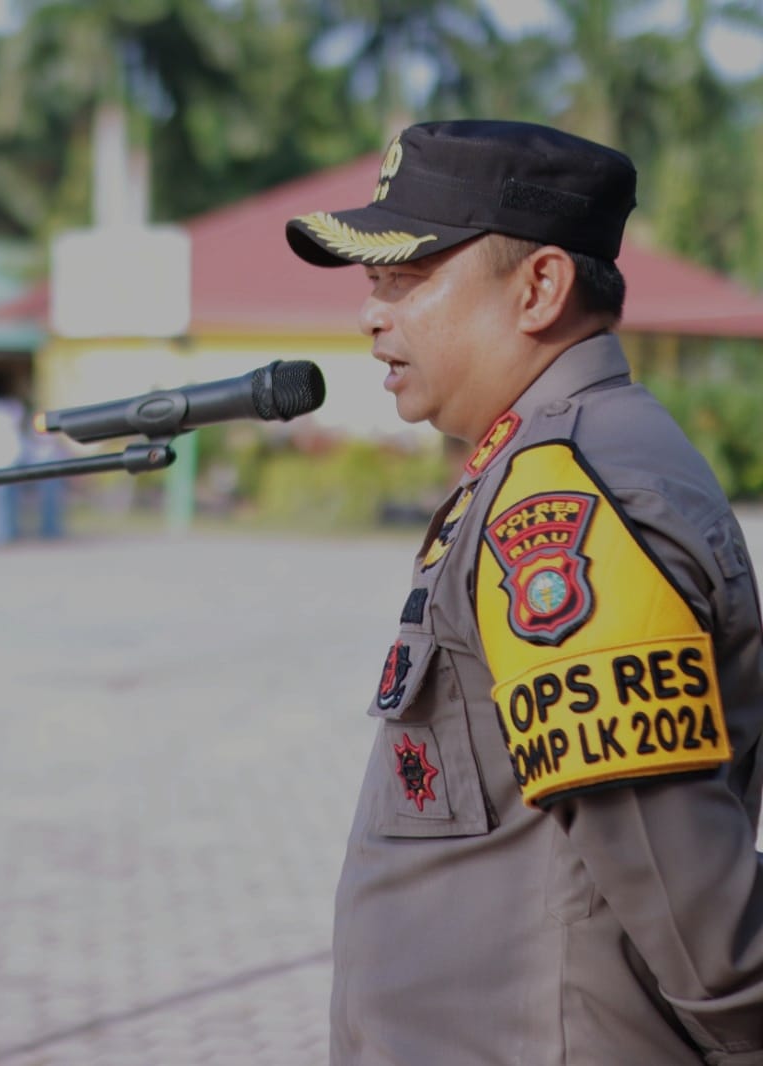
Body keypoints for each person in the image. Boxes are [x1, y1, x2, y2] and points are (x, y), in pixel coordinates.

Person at [285, 120, 763, 1063]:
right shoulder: (530, 463)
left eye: (405, 278)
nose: (373, 314)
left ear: (539, 287)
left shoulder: (569, 494)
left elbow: (699, 922)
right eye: (372, 285)